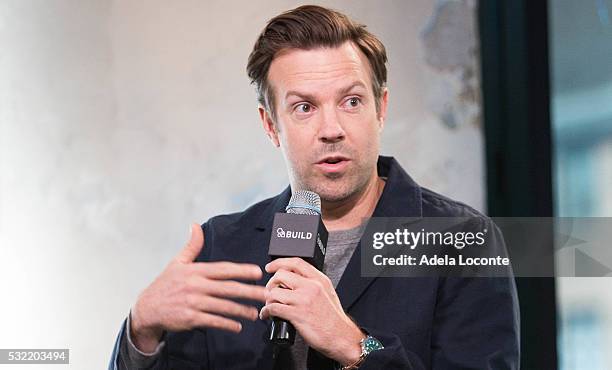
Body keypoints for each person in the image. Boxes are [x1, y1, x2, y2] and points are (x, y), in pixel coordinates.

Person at [109, 5, 519, 370]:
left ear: (381, 109)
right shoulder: (221, 246)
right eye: (304, 107)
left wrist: (353, 344)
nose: (331, 130)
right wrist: (141, 329)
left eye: (351, 101)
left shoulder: (464, 241)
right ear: (271, 125)